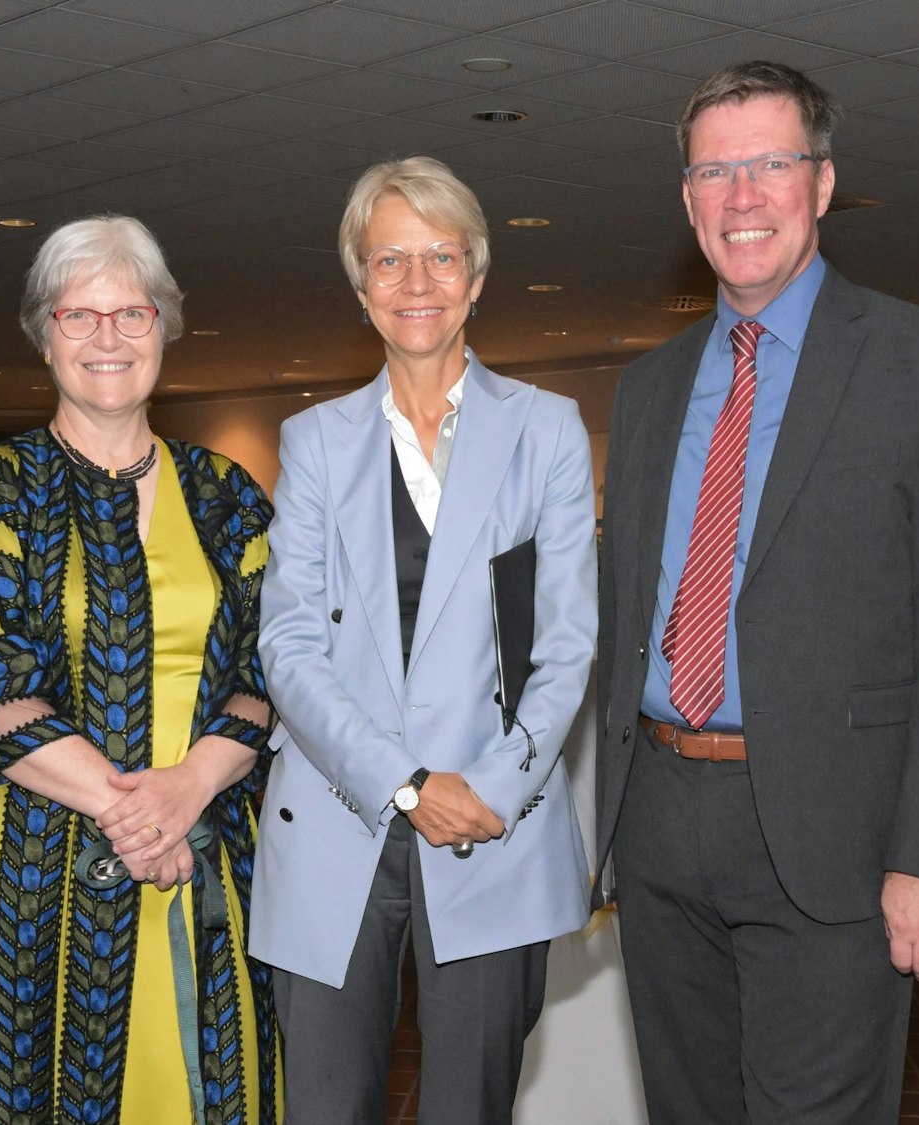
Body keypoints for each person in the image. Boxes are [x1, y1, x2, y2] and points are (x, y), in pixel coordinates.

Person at [590, 61, 919, 1123]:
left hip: (835, 837)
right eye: (713, 172)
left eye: (769, 165)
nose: (741, 197)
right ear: (686, 198)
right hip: (656, 831)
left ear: (821, 184)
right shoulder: (647, 391)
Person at [0, 214, 281, 1125]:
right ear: (44, 334)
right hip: (32, 881)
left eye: (133, 314)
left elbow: (275, 670)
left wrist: (188, 788)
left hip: (203, 867)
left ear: (167, 328)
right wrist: (136, 812)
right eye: (80, 316)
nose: (108, 338)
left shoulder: (229, 493)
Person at [254, 156, 598, 1125]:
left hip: (493, 824)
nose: (416, 284)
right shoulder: (314, 442)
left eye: (439, 258)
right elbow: (286, 645)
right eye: (390, 261)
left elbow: (564, 645)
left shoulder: (547, 432)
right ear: (360, 287)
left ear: (476, 278)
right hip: (336, 815)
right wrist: (404, 782)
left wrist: (482, 789)